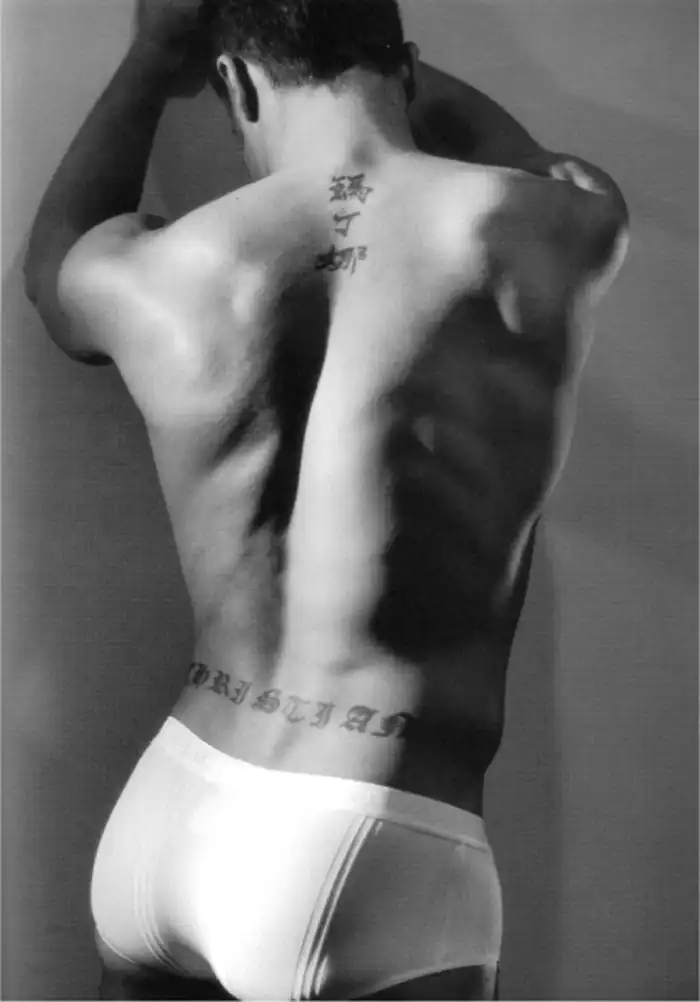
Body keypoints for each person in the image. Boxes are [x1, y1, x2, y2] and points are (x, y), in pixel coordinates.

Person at [24, 0, 629, 999]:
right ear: (403, 68)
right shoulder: (546, 222)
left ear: (234, 83)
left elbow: (53, 268)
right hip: (367, 835)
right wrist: (368, 61)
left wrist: (157, 52)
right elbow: (544, 165)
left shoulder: (159, 267)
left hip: (170, 809)